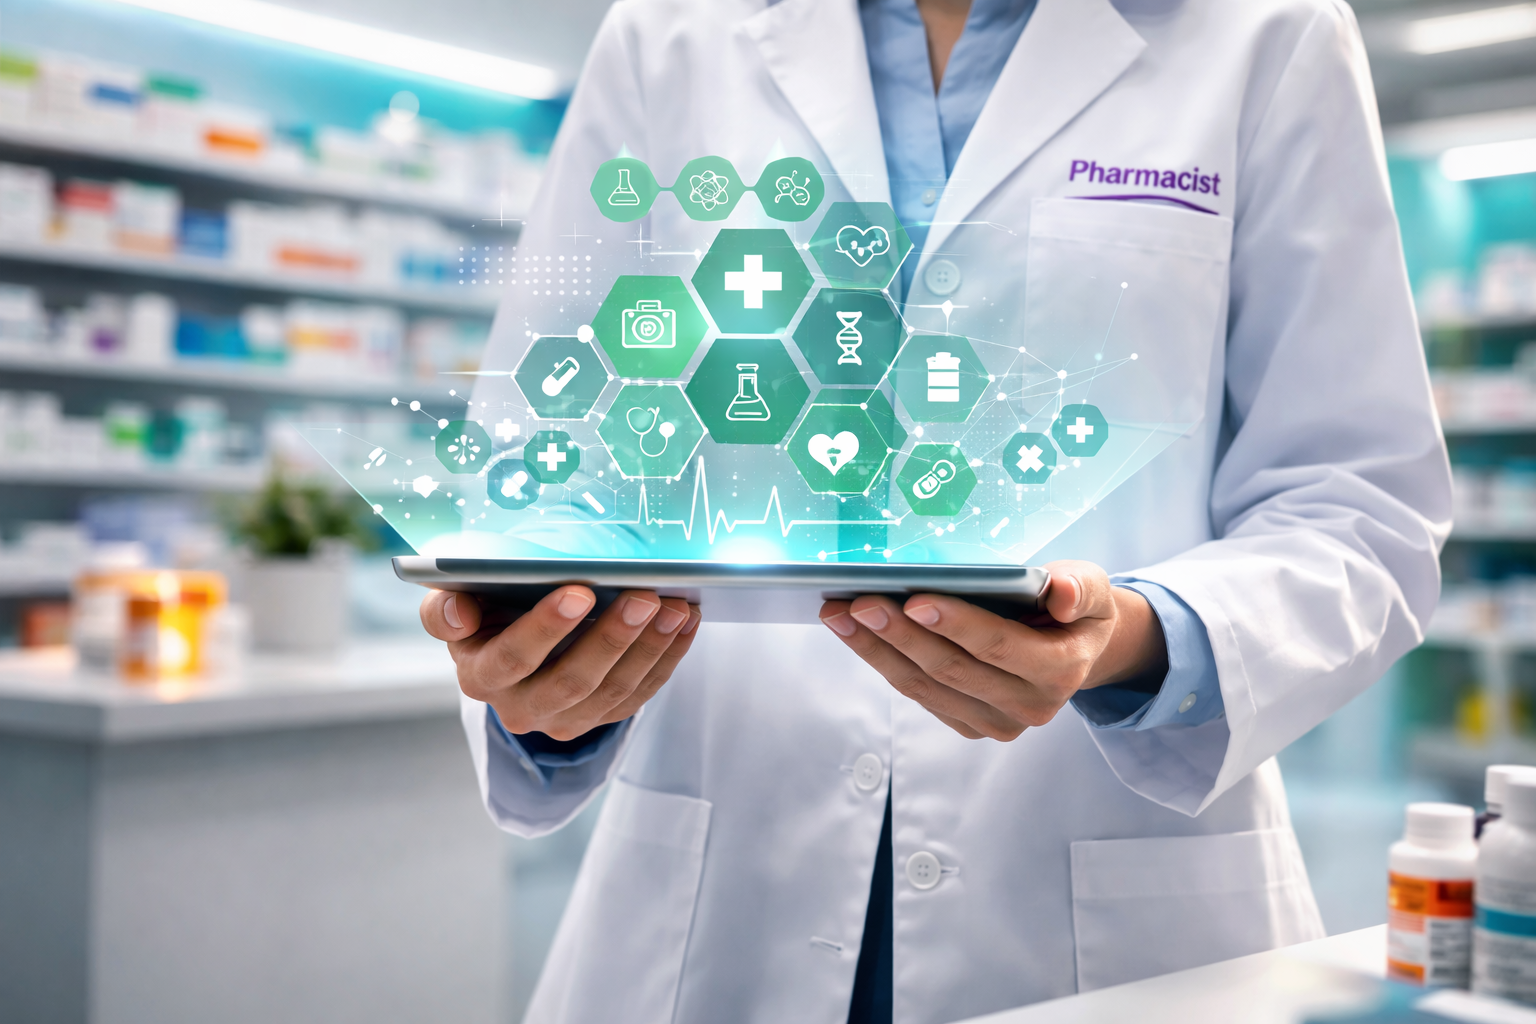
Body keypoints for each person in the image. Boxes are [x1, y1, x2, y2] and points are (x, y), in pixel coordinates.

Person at [420, 0, 1451, 1021]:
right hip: (719, 884)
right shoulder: (668, 37)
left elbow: (1358, 501)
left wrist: (1134, 640)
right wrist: (546, 661)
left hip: (1107, 897)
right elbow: (539, 455)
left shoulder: (1266, 36)